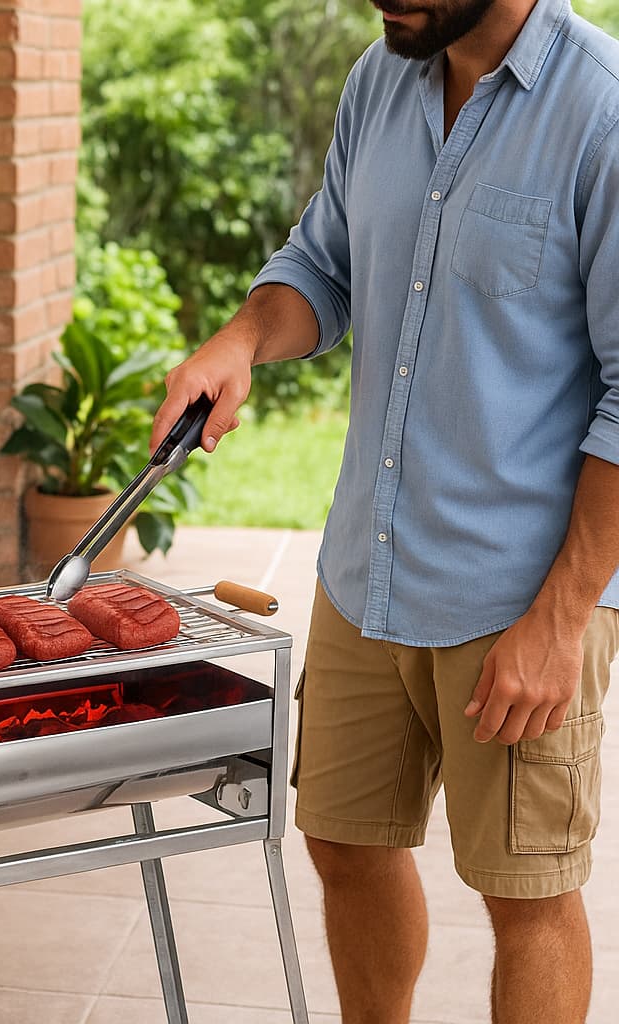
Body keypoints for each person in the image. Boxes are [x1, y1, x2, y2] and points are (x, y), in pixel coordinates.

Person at [150, 0, 619, 1021]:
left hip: (522, 593)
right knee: (343, 841)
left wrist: (560, 618)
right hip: (368, 568)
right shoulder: (382, 79)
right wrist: (239, 341)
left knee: (524, 892)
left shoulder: (603, 113)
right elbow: (321, 267)